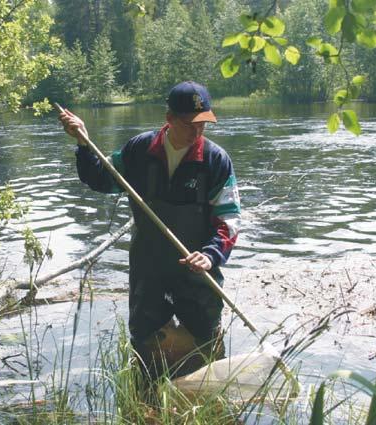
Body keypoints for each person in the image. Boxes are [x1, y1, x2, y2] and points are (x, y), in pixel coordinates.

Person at [59, 81, 241, 377]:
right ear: (169, 119)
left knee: (206, 346)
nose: (197, 133)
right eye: (190, 124)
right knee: (145, 348)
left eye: (203, 124)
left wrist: (210, 255)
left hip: (197, 272)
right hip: (149, 268)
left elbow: (229, 219)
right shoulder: (140, 150)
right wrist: (83, 142)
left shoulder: (215, 160)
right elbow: (101, 179)